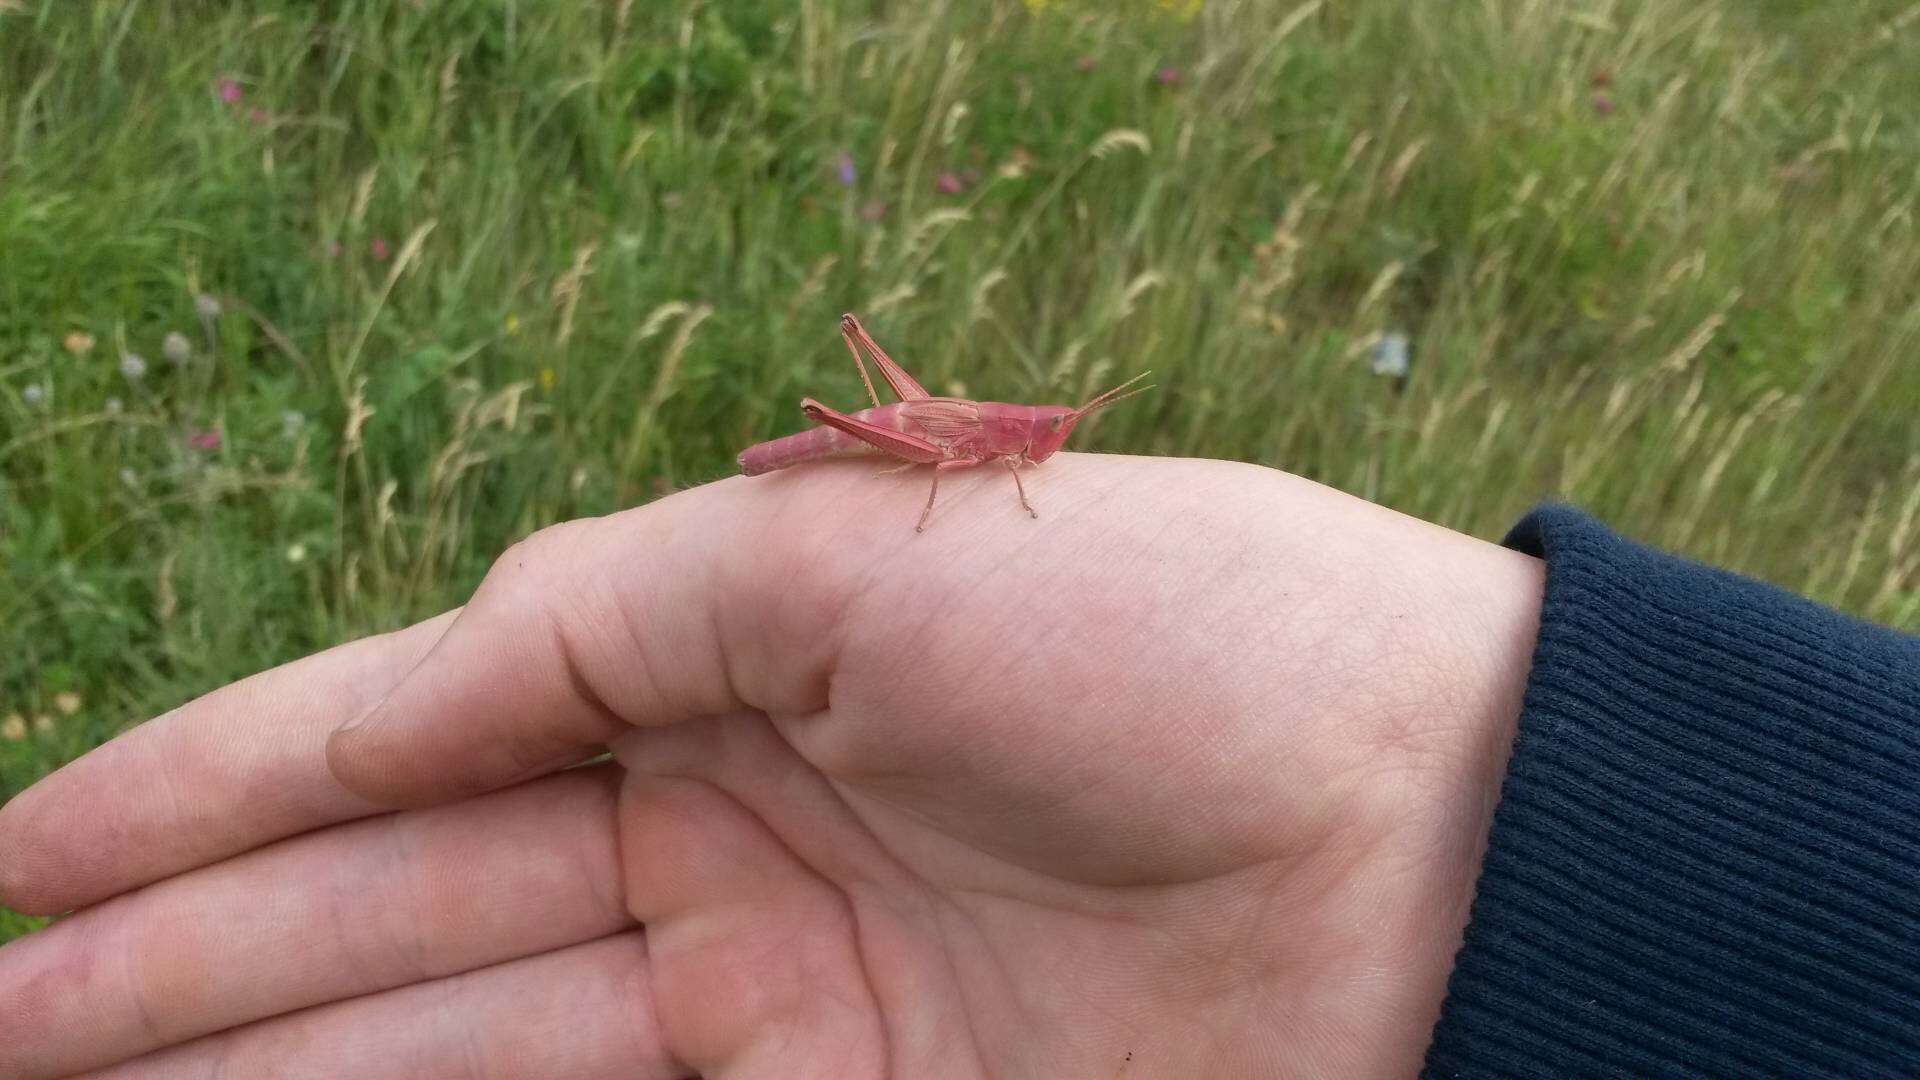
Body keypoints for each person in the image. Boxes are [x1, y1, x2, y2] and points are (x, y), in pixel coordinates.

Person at [0, 454, 1913, 1078]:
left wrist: (1441, 796)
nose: (1056, 445)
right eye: (1051, 440)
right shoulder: (962, 460)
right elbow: (939, 458)